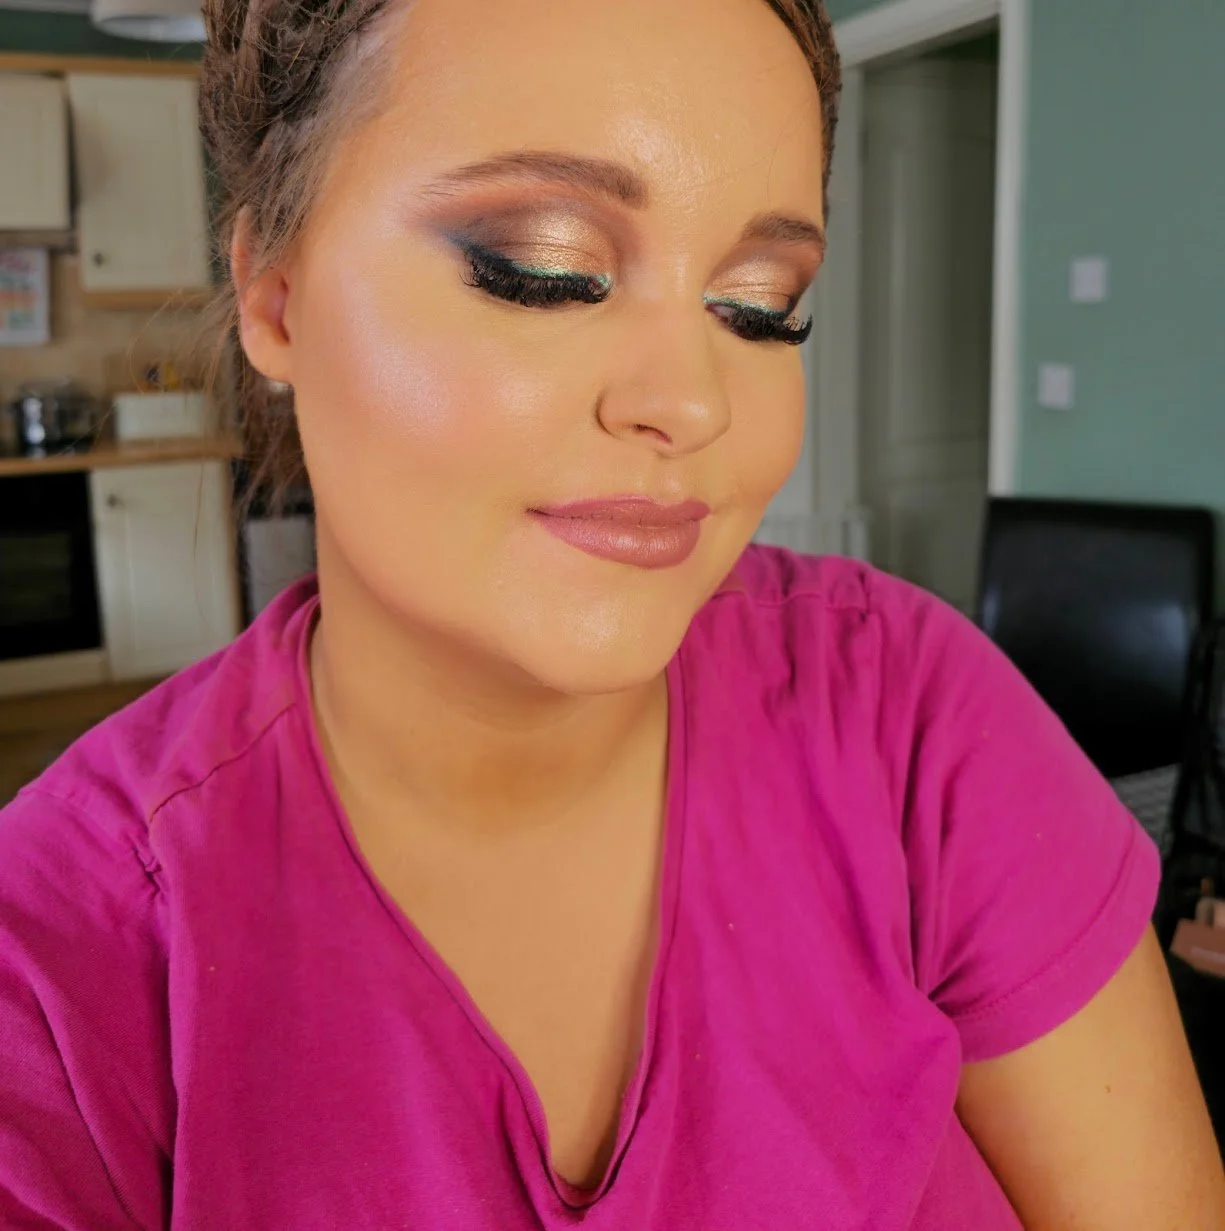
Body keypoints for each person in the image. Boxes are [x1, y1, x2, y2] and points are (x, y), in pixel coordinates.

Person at [1, 0, 1222, 1226]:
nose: (690, 400)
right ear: (273, 296)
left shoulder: (910, 712)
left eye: (758, 306)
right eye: (546, 272)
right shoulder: (60, 967)